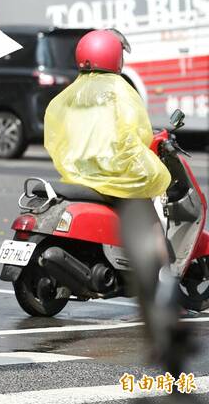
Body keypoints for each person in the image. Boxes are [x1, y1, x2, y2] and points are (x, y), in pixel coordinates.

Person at [44, 29, 178, 368]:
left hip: (78, 177)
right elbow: (137, 136)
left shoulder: (71, 94)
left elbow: (55, 135)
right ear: (115, 57)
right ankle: (165, 284)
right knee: (151, 220)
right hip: (114, 179)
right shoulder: (121, 92)